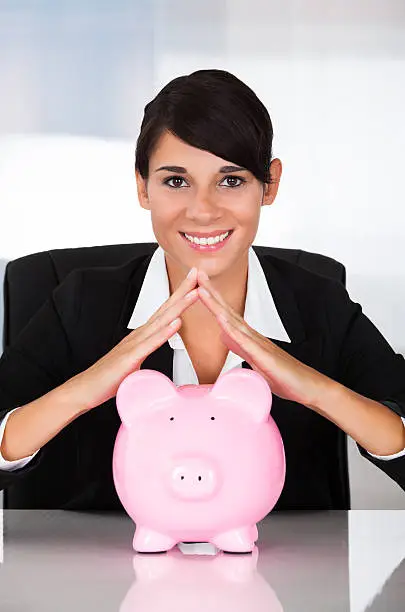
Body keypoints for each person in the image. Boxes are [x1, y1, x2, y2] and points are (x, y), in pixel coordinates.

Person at [0, 69, 404, 511]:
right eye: (176, 181)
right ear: (142, 186)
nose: (204, 210)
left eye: (231, 180)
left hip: (282, 576)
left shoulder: (319, 303)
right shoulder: (79, 300)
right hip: (115, 574)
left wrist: (315, 389)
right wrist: (87, 387)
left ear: (269, 184)